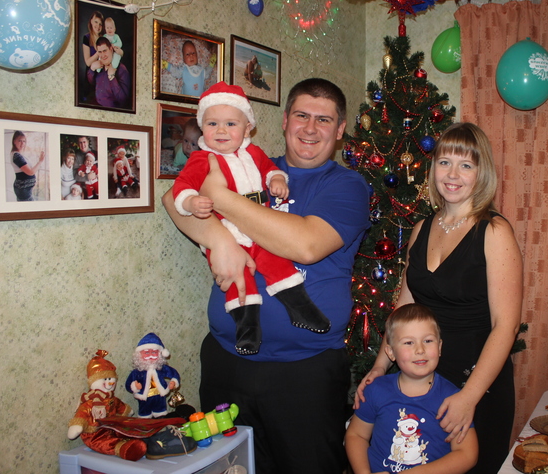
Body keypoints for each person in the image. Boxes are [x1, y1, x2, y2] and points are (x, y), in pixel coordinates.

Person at [161, 78, 370, 474]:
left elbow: (305, 245)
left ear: (340, 130)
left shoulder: (347, 186)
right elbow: (173, 200)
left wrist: (221, 197)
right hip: (226, 362)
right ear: (285, 120)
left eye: (324, 120)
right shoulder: (248, 163)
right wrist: (220, 240)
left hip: (304, 370)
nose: (310, 129)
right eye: (302, 116)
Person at [356, 123, 524, 474]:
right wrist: (380, 366)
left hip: (476, 384)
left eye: (466, 165)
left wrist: (468, 397)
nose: (453, 174)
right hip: (422, 379)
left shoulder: (494, 231)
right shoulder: (422, 228)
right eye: (445, 162)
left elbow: (505, 327)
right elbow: (404, 310)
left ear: (482, 173)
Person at [171, 81, 332, 355]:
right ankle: (247, 330)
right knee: (238, 279)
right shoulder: (201, 159)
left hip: (259, 228)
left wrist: (277, 179)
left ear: (247, 129)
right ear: (202, 127)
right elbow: (181, 187)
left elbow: (269, 169)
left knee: (279, 264)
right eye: (212, 124)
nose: (221, 130)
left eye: (231, 124)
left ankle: (301, 309)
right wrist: (190, 202)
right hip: (227, 229)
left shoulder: (253, 153)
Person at [347, 304, 478, 474]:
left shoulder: (452, 399)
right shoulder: (376, 390)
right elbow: (356, 435)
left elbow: (467, 454)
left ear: (439, 347)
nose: (420, 350)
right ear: (391, 352)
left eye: (428, 341)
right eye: (408, 342)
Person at [125, 333, 180, 418]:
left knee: (161, 416)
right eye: (146, 352)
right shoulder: (137, 372)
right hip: (144, 399)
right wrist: (135, 386)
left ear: (160, 354)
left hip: (159, 397)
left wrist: (174, 382)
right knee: (145, 417)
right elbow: (128, 385)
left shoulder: (161, 368)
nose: (150, 355)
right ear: (139, 355)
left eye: (154, 352)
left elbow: (174, 374)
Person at [87, 36, 131, 109]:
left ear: (111, 49)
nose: (103, 55)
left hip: (111, 111)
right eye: (100, 52)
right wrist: (92, 69)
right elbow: (91, 82)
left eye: (105, 51)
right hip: (96, 107)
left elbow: (123, 100)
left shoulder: (122, 69)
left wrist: (112, 78)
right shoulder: (98, 66)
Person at [10, 130, 45, 201]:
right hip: (23, 190)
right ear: (14, 141)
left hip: (24, 189)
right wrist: (40, 161)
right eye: (20, 141)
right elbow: (31, 172)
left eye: (24, 141)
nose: (22, 143)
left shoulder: (18, 154)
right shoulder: (17, 156)